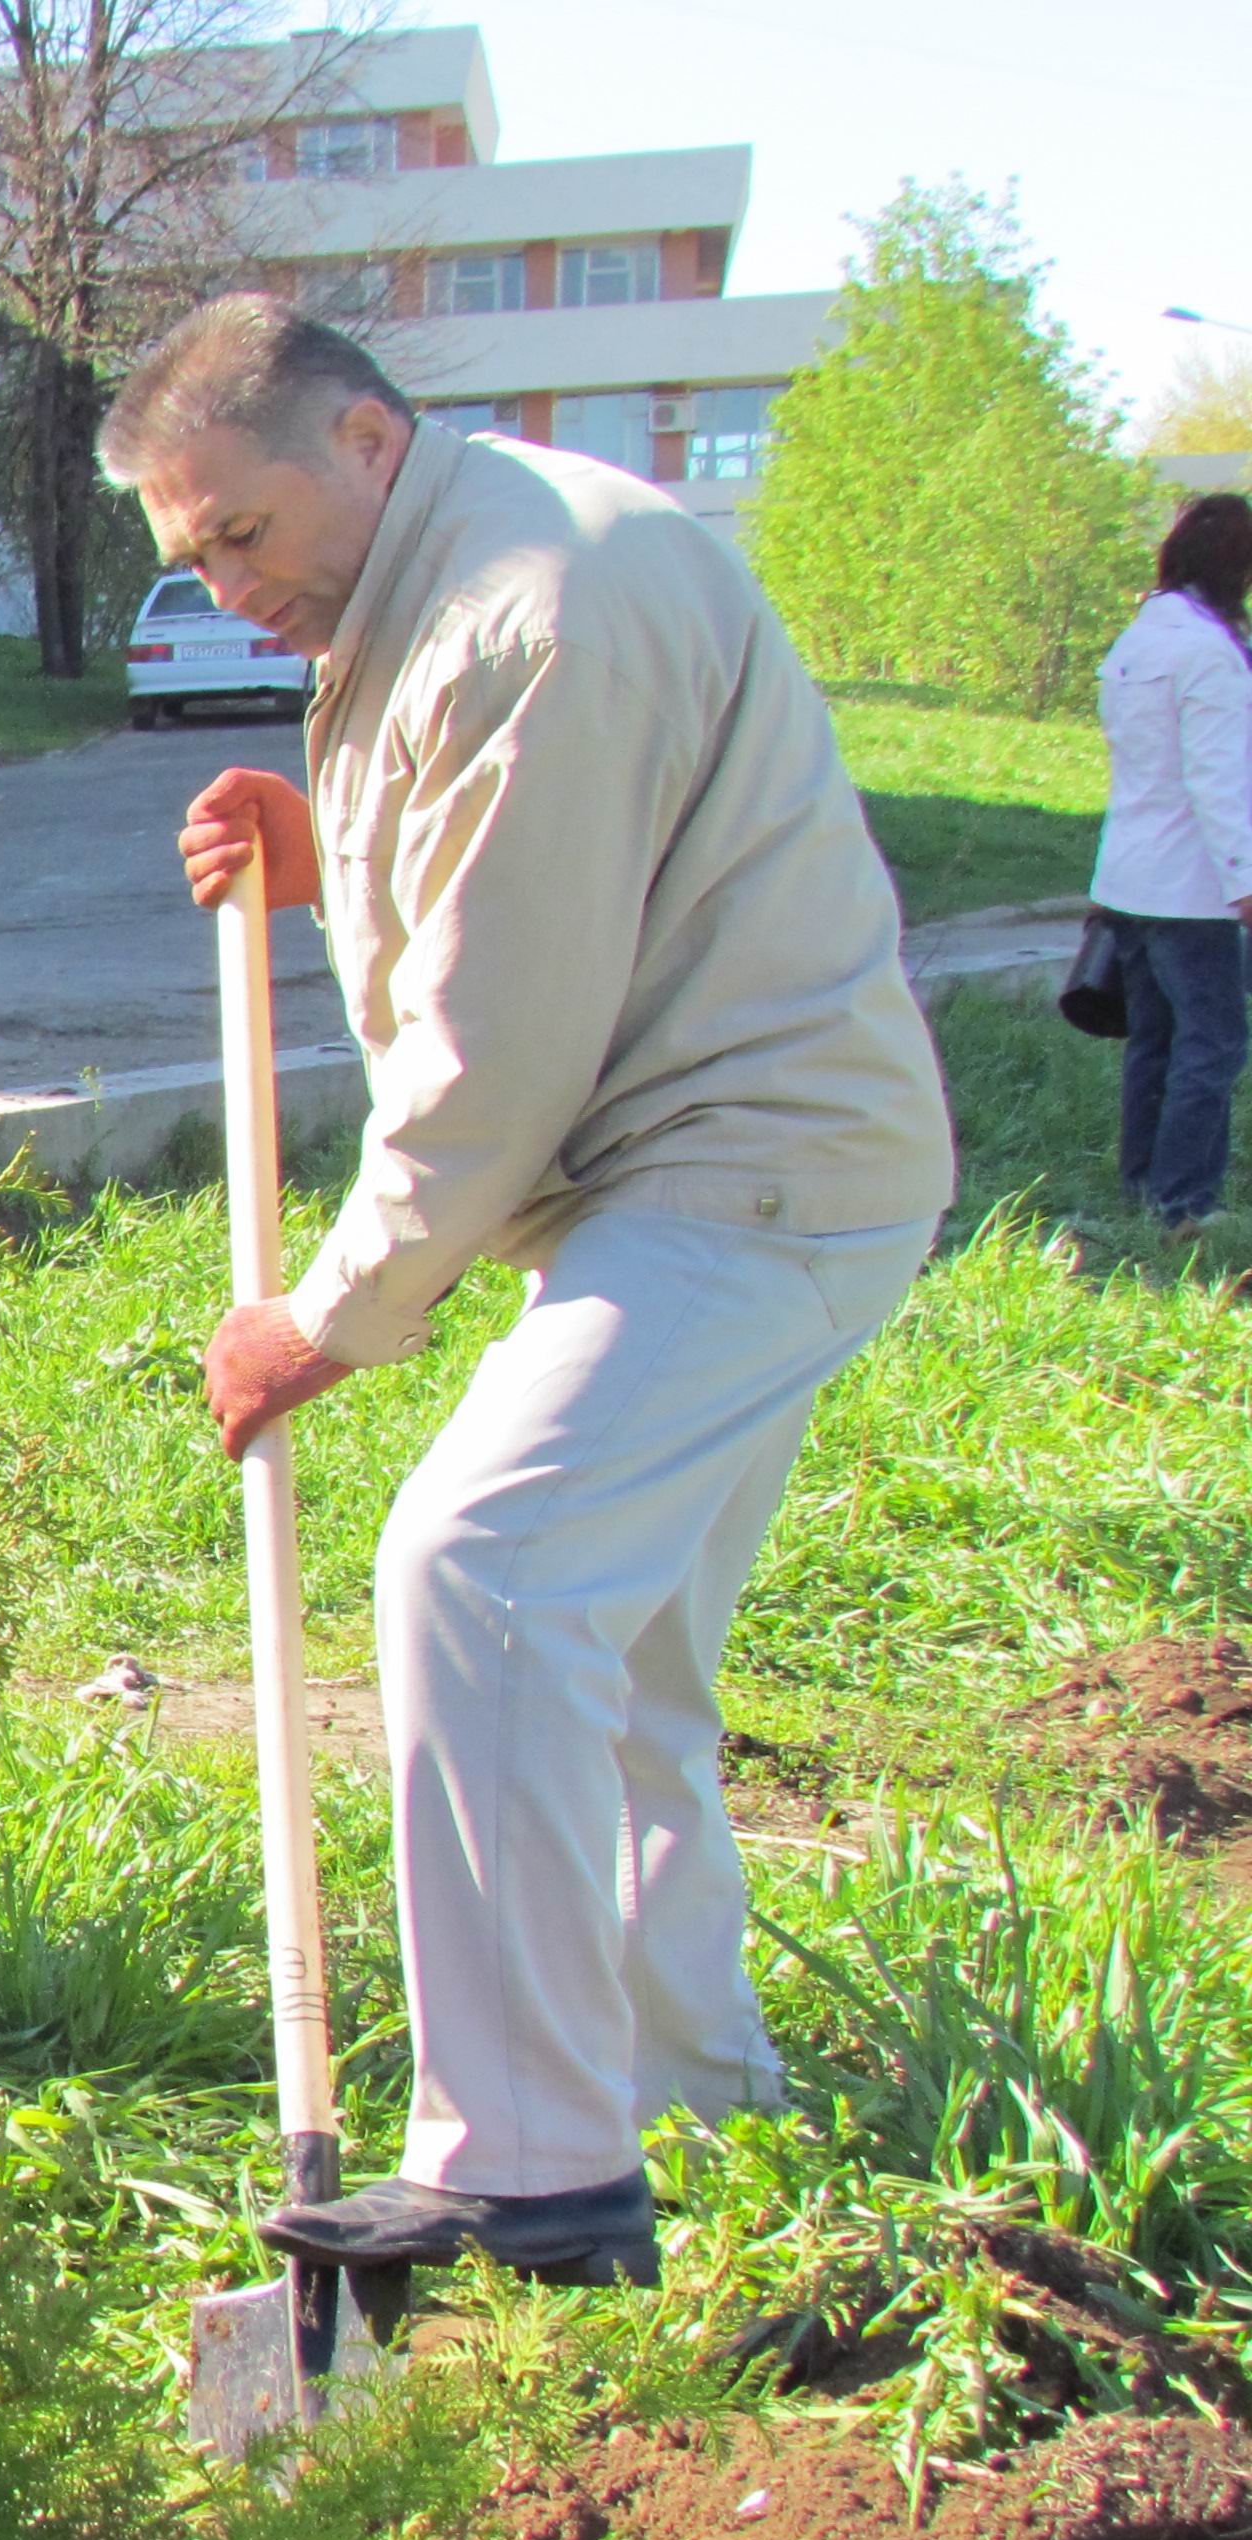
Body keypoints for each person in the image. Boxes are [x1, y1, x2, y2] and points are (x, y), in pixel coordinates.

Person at [111, 297, 955, 2289]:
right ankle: (686, 2081)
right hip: (724, 1171)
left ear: (370, 441)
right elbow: (531, 868)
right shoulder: (460, 585)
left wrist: (323, 1314)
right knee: (623, 1643)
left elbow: (502, 1046)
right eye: (194, 558)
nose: (232, 588)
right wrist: (339, 851)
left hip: (747, 1175)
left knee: (481, 1568)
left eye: (241, 531)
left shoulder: (530, 601)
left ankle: (536, 2164)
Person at [1091, 493, 1252, 1230]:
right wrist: (1246, 880)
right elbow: (1218, 780)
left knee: (1153, 1044)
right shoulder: (1211, 654)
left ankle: (1141, 1185)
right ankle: (1184, 1202)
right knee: (1211, 1043)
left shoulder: (1138, 641)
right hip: (1194, 888)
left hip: (1129, 879)